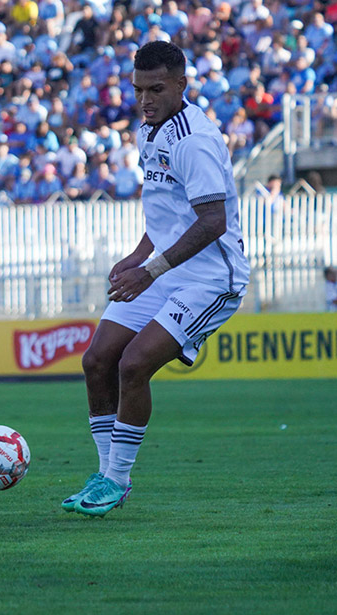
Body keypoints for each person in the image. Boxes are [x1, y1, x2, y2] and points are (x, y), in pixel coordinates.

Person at [62, 41, 250, 517]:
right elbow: (167, 211)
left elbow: (212, 222)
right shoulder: (150, 132)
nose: (145, 99)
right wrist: (137, 255)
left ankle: (116, 479)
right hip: (162, 270)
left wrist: (150, 270)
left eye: (156, 89)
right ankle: (106, 477)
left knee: (133, 365)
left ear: (182, 86)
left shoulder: (196, 141)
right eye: (138, 89)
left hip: (210, 279)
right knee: (97, 360)